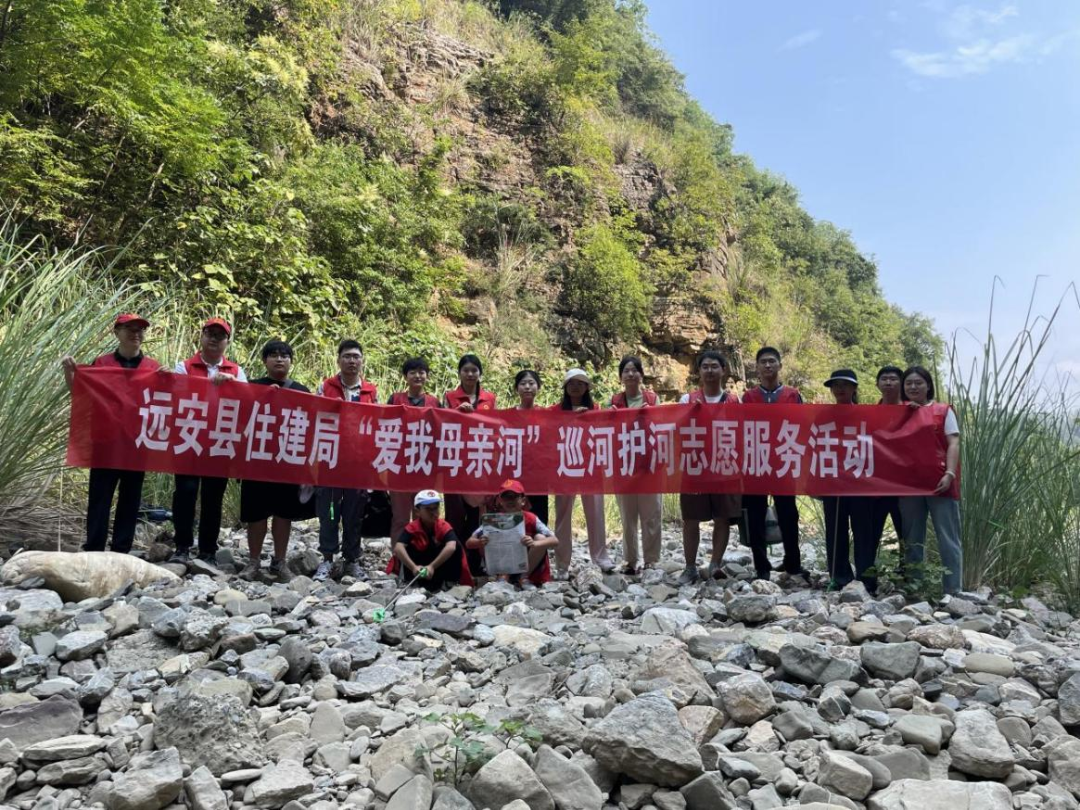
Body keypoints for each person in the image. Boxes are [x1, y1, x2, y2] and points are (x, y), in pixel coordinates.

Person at [62, 313, 162, 555]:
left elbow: (166, 403)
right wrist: (69, 373)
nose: (136, 333)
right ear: (116, 332)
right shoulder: (101, 364)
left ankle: (121, 549)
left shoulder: (154, 368)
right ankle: (94, 548)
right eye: (130, 328)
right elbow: (80, 394)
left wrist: (169, 381)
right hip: (105, 442)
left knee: (130, 498)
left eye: (140, 329)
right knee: (100, 497)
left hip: (137, 444)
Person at [169, 318, 247, 564]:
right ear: (201, 336)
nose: (214, 339)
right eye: (210, 333)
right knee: (185, 492)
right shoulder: (183, 367)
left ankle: (208, 550)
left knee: (213, 497)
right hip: (189, 438)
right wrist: (211, 387)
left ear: (227, 342)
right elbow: (177, 396)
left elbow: (247, 402)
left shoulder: (236, 372)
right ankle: (182, 545)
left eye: (220, 335)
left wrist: (231, 386)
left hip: (219, 441)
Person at [239, 340, 314, 582]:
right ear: (265, 361)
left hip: (287, 460)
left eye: (284, 355)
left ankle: (279, 562)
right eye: (273, 355)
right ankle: (253, 561)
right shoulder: (251, 387)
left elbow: (311, 427)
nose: (279, 359)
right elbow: (239, 416)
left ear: (291, 361)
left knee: (283, 513)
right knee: (256, 514)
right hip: (257, 459)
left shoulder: (302, 391)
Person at [313, 340, 378, 582]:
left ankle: (351, 560)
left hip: (358, 464)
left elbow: (377, 424)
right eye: (347, 356)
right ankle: (327, 559)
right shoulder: (325, 387)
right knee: (329, 511)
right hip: (330, 460)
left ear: (362, 361)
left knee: (354, 513)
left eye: (356, 357)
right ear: (338, 359)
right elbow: (315, 417)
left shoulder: (371, 391)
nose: (352, 361)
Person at [677, 351, 742, 584]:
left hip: (725, 466)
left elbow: (743, 432)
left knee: (722, 517)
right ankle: (690, 567)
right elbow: (675, 430)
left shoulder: (734, 401)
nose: (710, 371)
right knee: (691, 519)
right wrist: (689, 414)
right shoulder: (687, 399)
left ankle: (715, 564)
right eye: (705, 366)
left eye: (715, 366)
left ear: (724, 370)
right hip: (695, 466)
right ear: (699, 371)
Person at [898, 366, 963, 595]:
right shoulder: (899, 412)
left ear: (928, 385)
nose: (913, 387)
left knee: (948, 537)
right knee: (912, 538)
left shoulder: (943, 411)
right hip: (908, 485)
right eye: (908, 383)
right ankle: (915, 587)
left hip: (940, 482)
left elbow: (953, 442)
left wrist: (950, 473)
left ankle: (952, 590)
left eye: (918, 383)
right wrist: (905, 412)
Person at [741, 346, 804, 581]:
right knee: (755, 514)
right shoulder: (748, 397)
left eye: (772, 361)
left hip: (783, 461)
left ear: (780, 366)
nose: (768, 365)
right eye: (763, 362)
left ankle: (793, 563)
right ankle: (761, 566)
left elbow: (802, 426)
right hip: (756, 461)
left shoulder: (793, 395)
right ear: (757, 367)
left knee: (788, 513)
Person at [552, 369, 614, 577]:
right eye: (571, 383)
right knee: (562, 516)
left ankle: (601, 558)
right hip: (565, 468)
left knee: (596, 513)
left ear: (587, 387)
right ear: (565, 387)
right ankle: (562, 564)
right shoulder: (554, 411)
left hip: (590, 468)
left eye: (580, 383)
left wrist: (593, 417)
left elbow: (606, 432)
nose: (575, 387)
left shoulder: (595, 410)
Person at [820, 370, 877, 592]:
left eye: (845, 384)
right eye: (836, 385)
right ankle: (839, 576)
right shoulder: (823, 416)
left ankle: (867, 579)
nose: (840, 389)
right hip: (832, 481)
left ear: (854, 388)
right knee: (835, 531)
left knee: (864, 531)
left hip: (861, 481)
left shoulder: (867, 415)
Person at [610, 356, 662, 576]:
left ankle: (651, 560)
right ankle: (631, 560)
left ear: (641, 375)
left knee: (652, 514)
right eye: (626, 371)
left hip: (649, 464)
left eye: (634, 370)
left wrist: (649, 414)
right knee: (628, 516)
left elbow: (662, 426)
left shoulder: (652, 399)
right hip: (624, 465)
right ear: (621, 376)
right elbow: (607, 430)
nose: (630, 374)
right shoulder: (614, 401)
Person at [443, 354, 497, 556]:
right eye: (465, 370)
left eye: (474, 370)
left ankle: (476, 560)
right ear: (459, 373)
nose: (470, 374)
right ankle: (454, 558)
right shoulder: (450, 397)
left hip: (480, 458)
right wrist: (456, 413)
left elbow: (495, 426)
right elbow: (443, 423)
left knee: (479, 511)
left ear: (480, 373)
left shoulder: (489, 398)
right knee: (455, 511)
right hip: (456, 460)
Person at [465, 479, 558, 590]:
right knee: (484, 537)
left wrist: (534, 543)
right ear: (500, 501)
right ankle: (502, 576)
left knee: (540, 537)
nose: (510, 501)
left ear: (523, 500)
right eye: (506, 497)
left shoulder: (531, 518)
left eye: (514, 497)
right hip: (503, 565)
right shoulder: (493, 520)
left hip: (528, 565)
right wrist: (479, 542)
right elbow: (469, 543)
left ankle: (524, 577)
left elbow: (555, 540)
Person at [387, 358, 442, 542]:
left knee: (424, 516)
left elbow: (443, 431)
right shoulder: (395, 399)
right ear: (405, 376)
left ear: (427, 376)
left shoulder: (435, 402)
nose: (417, 376)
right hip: (399, 467)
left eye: (421, 372)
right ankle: (398, 556)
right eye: (412, 372)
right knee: (400, 517)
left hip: (425, 466)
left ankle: (422, 553)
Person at [389, 490, 471, 591]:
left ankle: (450, 582)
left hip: (437, 569)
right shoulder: (413, 527)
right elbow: (398, 548)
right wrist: (413, 567)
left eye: (435, 508)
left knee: (457, 545)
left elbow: (451, 546)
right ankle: (411, 582)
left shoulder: (443, 526)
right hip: (418, 570)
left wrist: (432, 566)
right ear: (417, 511)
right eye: (428, 509)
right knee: (407, 546)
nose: (433, 513)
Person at [871, 365, 904, 549]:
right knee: (872, 532)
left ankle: (908, 567)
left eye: (893, 379)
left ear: (902, 383)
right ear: (877, 384)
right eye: (884, 379)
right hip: (877, 486)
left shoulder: (914, 412)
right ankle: (868, 567)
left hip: (904, 487)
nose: (889, 382)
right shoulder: (868, 415)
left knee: (906, 534)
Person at [512, 369, 549, 525]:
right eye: (523, 383)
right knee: (514, 513)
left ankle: (540, 541)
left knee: (539, 517)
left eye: (531, 383)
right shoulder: (508, 415)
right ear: (516, 388)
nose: (527, 387)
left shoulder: (547, 414)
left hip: (539, 474)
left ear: (538, 387)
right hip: (515, 471)